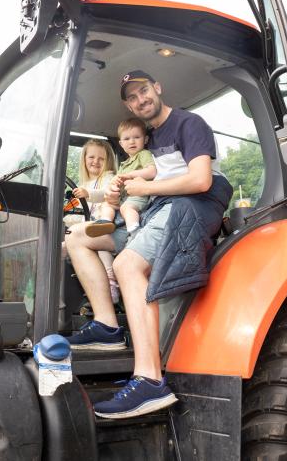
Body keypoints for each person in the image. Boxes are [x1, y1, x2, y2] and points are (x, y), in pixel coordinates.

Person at [65, 70, 232, 419]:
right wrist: (118, 187)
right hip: (157, 212)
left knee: (126, 264)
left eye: (144, 91)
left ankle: (150, 380)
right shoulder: (150, 140)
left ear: (158, 87)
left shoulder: (189, 123)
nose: (141, 100)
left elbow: (201, 180)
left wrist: (145, 189)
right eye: (132, 97)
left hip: (189, 210)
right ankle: (108, 327)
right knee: (78, 237)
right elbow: (147, 178)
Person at [63, 139, 121, 303]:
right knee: (59, 250)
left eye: (101, 159)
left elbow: (106, 194)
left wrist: (88, 194)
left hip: (105, 226)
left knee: (99, 244)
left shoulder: (109, 178)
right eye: (91, 157)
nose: (96, 161)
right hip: (86, 228)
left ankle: (111, 285)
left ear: (108, 161)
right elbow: (73, 214)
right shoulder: (82, 185)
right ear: (84, 159)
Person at [85, 117, 155, 238]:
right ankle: (105, 222)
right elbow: (116, 180)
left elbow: (152, 171)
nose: (132, 142)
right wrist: (113, 185)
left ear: (145, 139)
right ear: (121, 144)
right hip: (123, 196)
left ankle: (135, 232)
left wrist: (130, 175)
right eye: (127, 139)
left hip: (138, 195)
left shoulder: (144, 154)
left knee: (126, 208)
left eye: (136, 137)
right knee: (107, 204)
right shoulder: (124, 164)